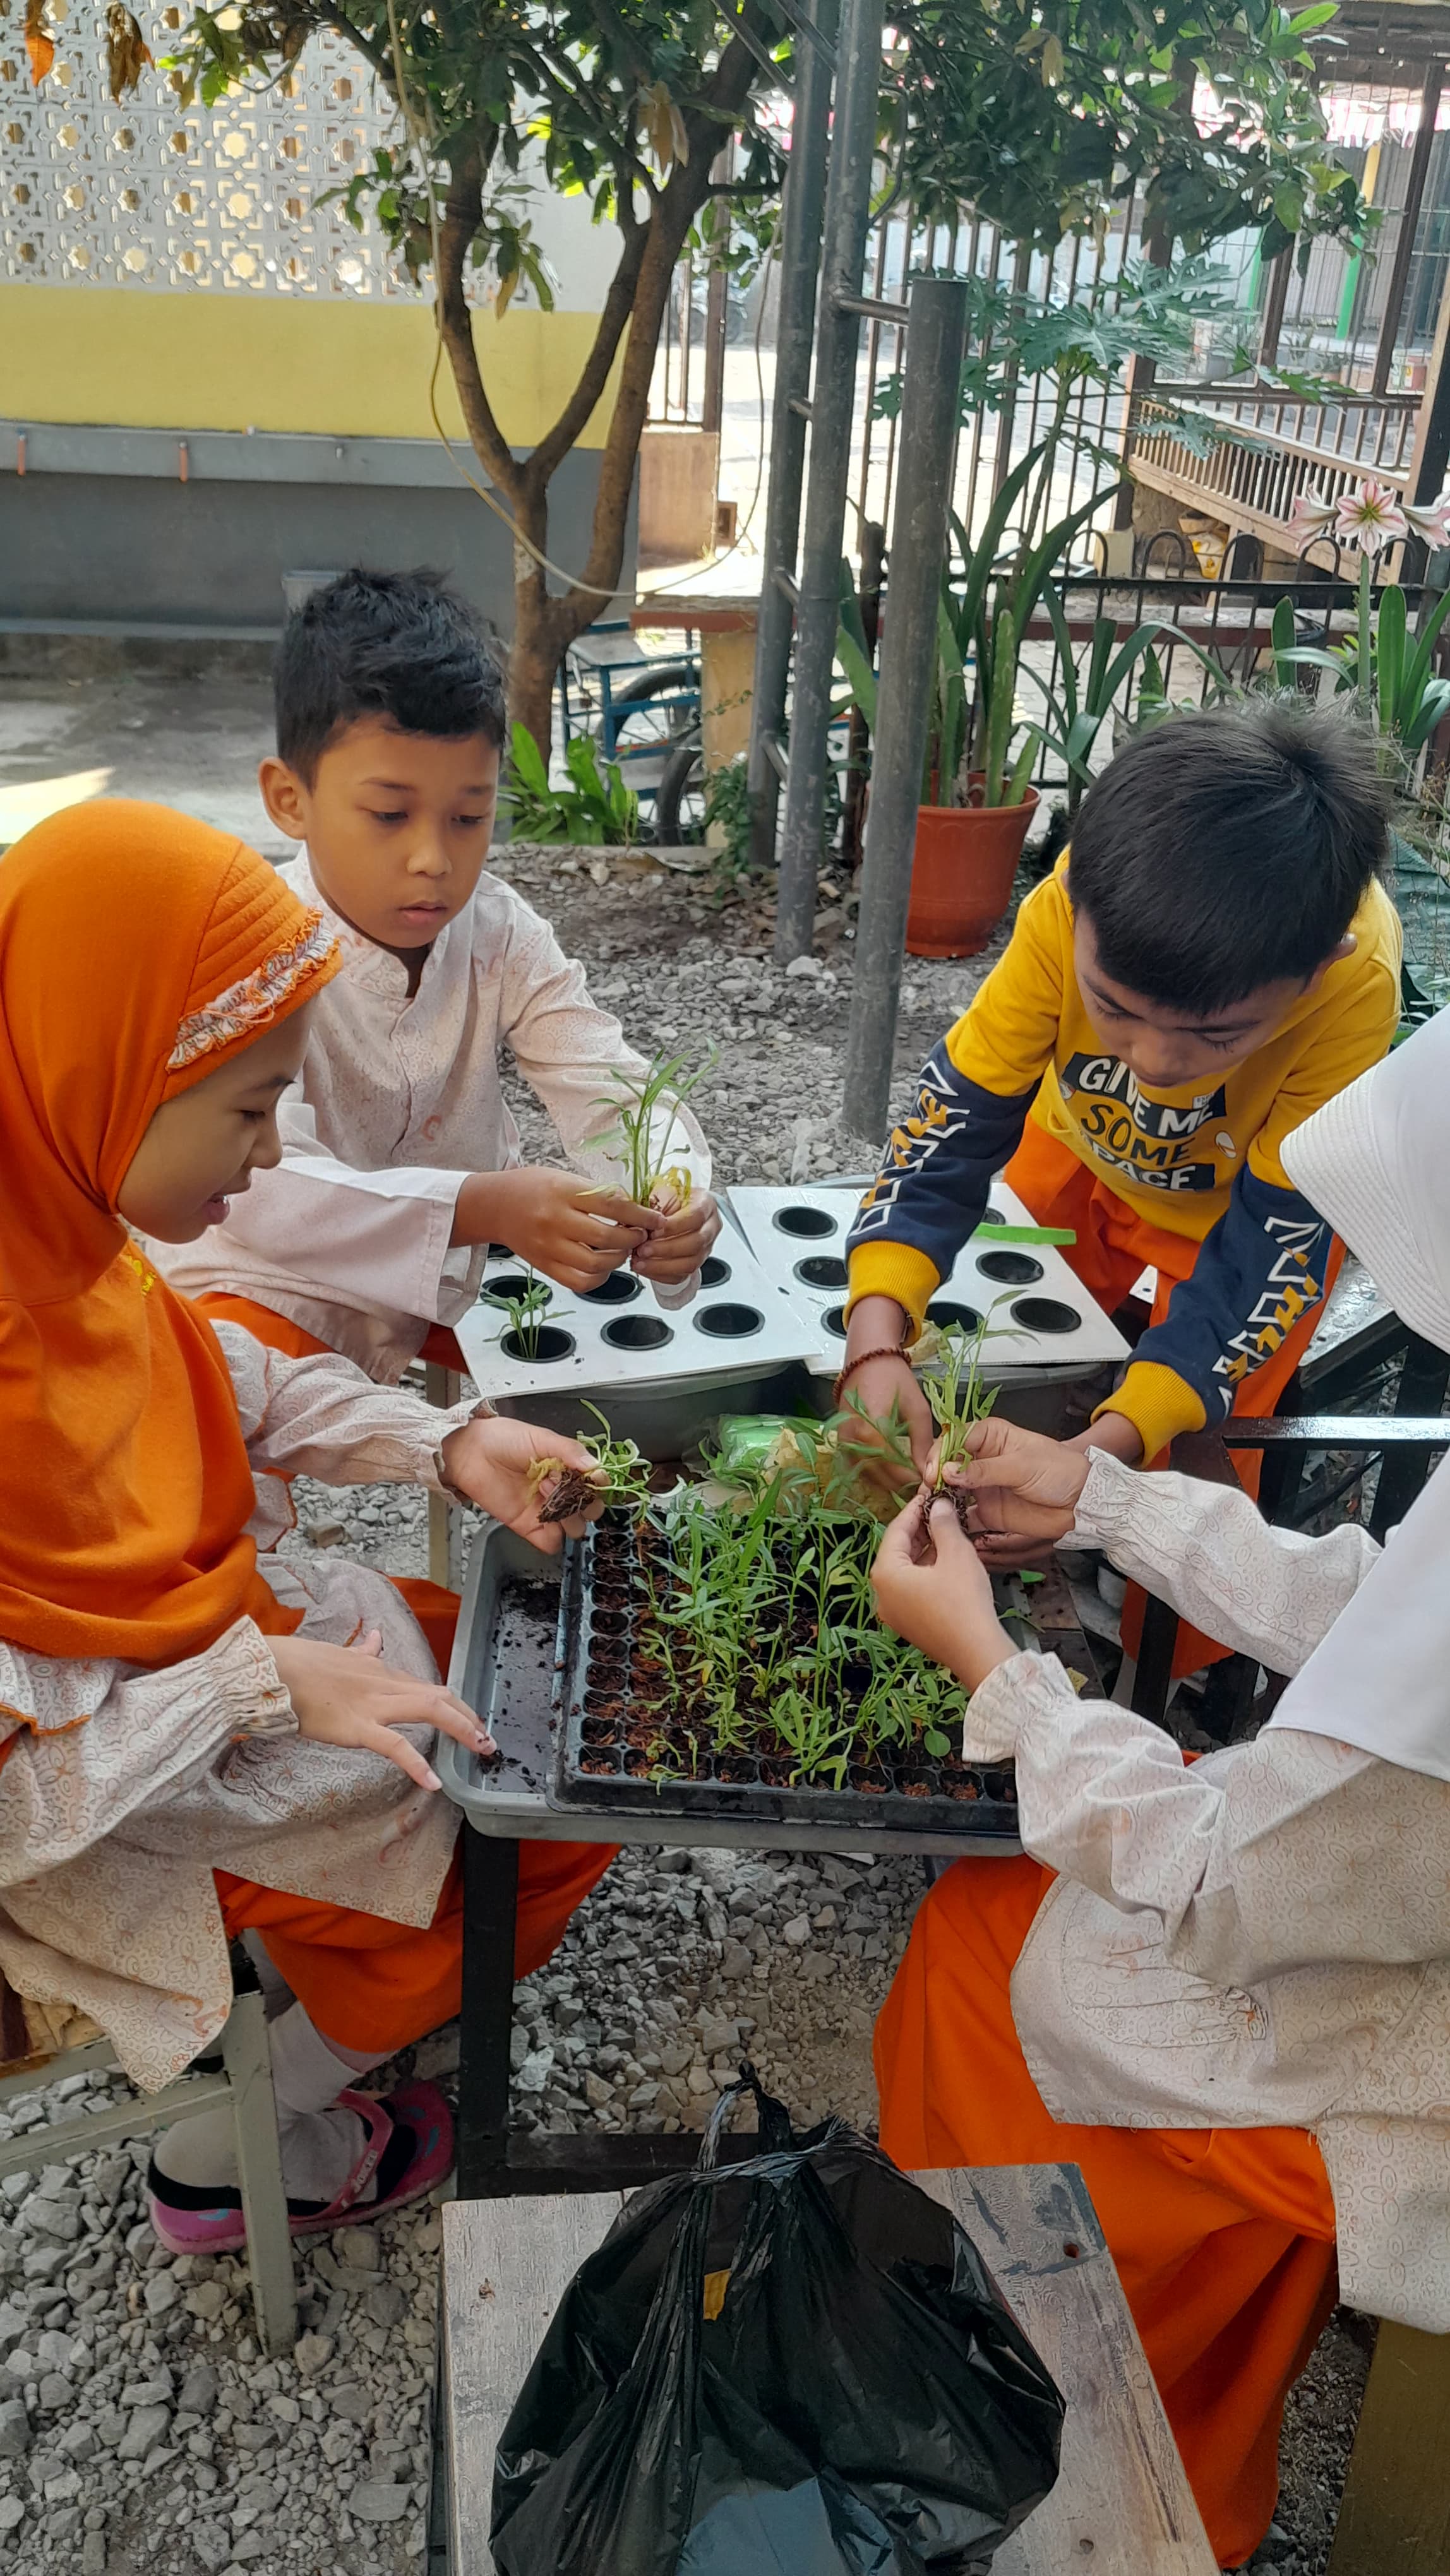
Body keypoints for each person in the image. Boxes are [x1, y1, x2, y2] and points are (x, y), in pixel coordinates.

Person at [868, 999, 1450, 2570]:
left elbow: (1214, 1890)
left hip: (1408, 2064)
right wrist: (1106, 1500)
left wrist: (996, 1668)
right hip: (1388, 1932)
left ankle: (1082, 2413)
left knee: (978, 1961)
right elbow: (1376, 1597)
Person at [0, 799, 614, 2248]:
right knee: (530, 1812)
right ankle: (244, 2145)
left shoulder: (60, 1235)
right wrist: (265, 1679)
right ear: (97, 1073)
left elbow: (230, 1376)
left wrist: (447, 1440)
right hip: (95, 1822)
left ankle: (328, 2002)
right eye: (243, 1106)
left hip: (200, 1680)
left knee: (506, 1693)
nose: (271, 1157)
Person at [842, 699, 1401, 1667]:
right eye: (1114, 1011)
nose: (1151, 1062)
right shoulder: (1063, 906)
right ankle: (972, 1568)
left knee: (1206, 1451)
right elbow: (955, 1124)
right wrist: (872, 1335)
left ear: (1319, 972)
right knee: (1005, 1373)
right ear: (1078, 907)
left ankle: (1168, 1657)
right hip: (1076, 1156)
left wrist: (1103, 1467)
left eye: (1215, 1038)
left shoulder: (1357, 986)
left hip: (1238, 1207)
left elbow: (1271, 1247)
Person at [156, 567, 721, 1381]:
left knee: (588, 1420)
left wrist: (671, 1190)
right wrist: (479, 1203)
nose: (434, 860)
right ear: (289, 799)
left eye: (470, 817)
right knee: (223, 1425)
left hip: (465, 1271)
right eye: (389, 814)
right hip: (270, 1280)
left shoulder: (499, 931)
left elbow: (604, 1078)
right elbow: (261, 1187)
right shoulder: (251, 950)